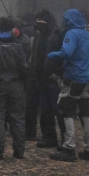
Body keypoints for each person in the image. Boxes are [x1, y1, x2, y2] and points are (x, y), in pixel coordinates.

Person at [47, 8, 89, 162]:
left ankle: (69, 148)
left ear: (69, 21)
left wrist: (51, 55)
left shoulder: (72, 34)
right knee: (87, 114)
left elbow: (66, 52)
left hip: (73, 79)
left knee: (66, 111)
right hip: (88, 81)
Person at [0, 17, 29, 160]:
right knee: (18, 118)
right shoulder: (18, 46)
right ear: (11, 29)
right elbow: (24, 67)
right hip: (16, 85)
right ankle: (19, 150)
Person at [33, 9, 64, 149]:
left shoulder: (57, 35)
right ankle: (49, 137)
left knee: (58, 110)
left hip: (52, 78)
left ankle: (65, 140)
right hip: (41, 76)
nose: (38, 24)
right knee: (46, 110)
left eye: (41, 21)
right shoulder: (40, 35)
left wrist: (57, 73)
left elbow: (62, 56)